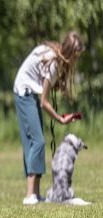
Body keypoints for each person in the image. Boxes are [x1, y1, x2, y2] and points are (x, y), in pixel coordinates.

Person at [13, 32, 84, 205]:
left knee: (34, 142)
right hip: (24, 92)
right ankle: (30, 195)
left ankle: (35, 194)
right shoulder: (52, 62)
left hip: (28, 92)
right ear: (70, 52)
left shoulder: (54, 55)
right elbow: (45, 102)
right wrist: (60, 119)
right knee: (37, 142)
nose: (76, 60)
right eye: (76, 56)